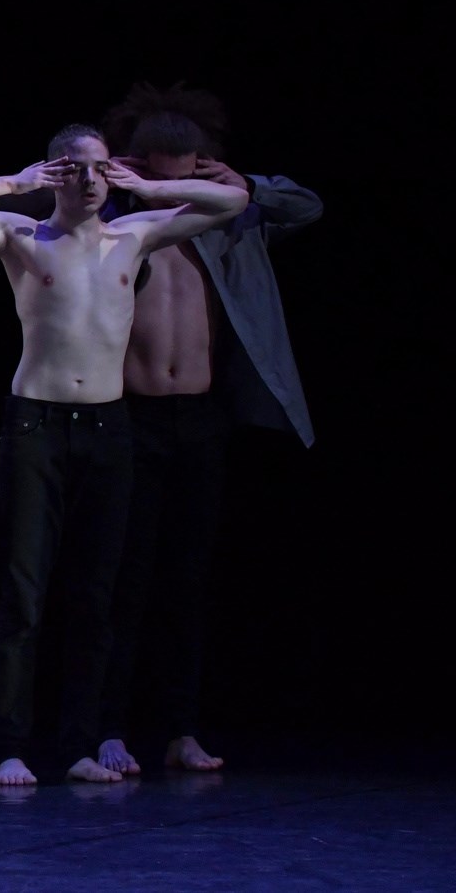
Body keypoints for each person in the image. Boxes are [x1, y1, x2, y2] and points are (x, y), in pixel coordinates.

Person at [0, 123, 249, 786]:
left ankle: (82, 745)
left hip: (107, 429)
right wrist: (15, 182)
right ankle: (9, 745)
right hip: (35, 426)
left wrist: (144, 186)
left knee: (94, 596)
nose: (88, 180)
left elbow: (228, 203)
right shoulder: (22, 237)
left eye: (98, 170)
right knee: (24, 593)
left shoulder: (134, 235)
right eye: (74, 169)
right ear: (56, 173)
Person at [93, 82, 322, 776]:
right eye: (155, 179)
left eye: (183, 178)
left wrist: (241, 184)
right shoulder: (110, 223)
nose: (170, 196)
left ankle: (178, 729)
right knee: (122, 580)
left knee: (184, 583)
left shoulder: (228, 224)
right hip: (128, 419)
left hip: (200, 419)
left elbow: (306, 205)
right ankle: (108, 730)